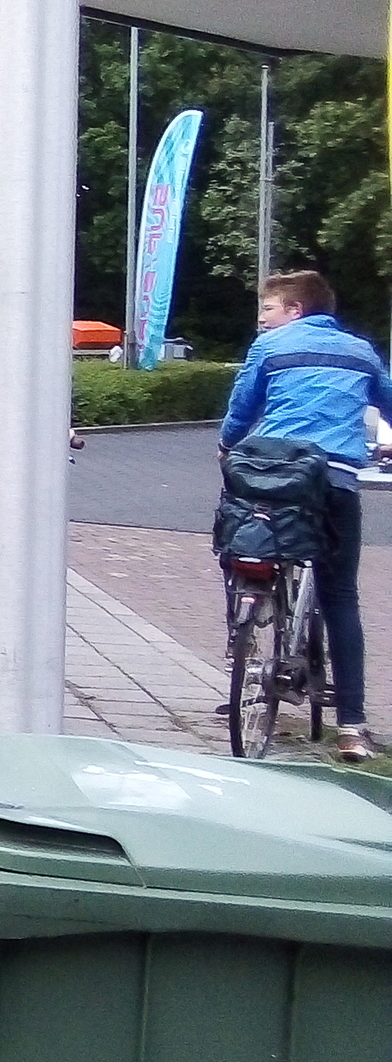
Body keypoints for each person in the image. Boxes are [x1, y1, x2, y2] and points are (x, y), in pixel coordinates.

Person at [218, 269, 392, 762]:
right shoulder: (360, 351)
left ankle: (244, 642)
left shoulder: (268, 350)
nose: (262, 320)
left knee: (238, 543)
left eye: (268, 310)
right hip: (334, 477)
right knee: (341, 595)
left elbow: (240, 408)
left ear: (296, 310)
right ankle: (353, 727)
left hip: (268, 474)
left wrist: (228, 446)